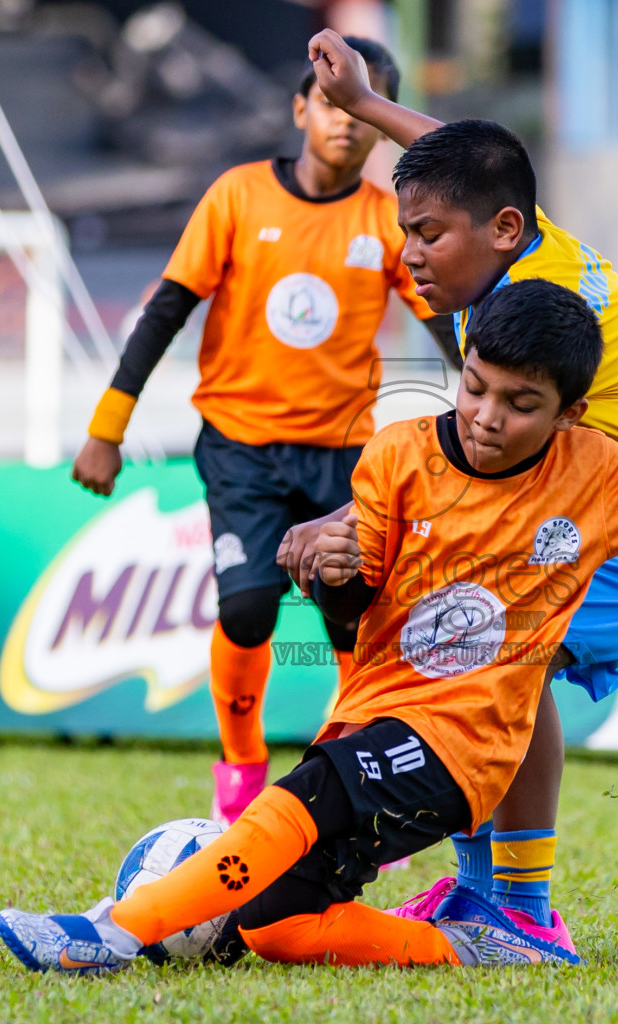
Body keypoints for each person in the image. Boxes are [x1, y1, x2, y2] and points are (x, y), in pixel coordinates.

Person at [0, 278, 618, 972]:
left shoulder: (595, 471)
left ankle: (114, 931)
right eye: (477, 389)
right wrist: (337, 577)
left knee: (312, 792)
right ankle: (478, 949)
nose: (488, 418)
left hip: (467, 740)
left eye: (521, 405)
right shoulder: (398, 454)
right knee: (272, 925)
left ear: (570, 414)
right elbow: (353, 617)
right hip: (375, 713)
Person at [272, 31, 618, 951]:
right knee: (467, 644)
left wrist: (346, 515)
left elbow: (470, 458)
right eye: (408, 231)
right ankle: (486, 891)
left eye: (425, 235)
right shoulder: (524, 248)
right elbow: (475, 167)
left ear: (494, 231)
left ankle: (522, 909)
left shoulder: (517, 310)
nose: (410, 253)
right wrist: (369, 107)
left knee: (495, 652)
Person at [70, 37, 456, 826]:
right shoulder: (238, 197)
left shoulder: (388, 222)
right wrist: (107, 429)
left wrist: (488, 402)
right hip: (241, 445)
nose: (343, 124)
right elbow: (165, 313)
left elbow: (448, 325)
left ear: (379, 127)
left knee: (349, 613)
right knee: (247, 610)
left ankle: (334, 768)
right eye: (329, 105)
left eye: (360, 111)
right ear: (300, 109)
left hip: (346, 457)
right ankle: (242, 767)